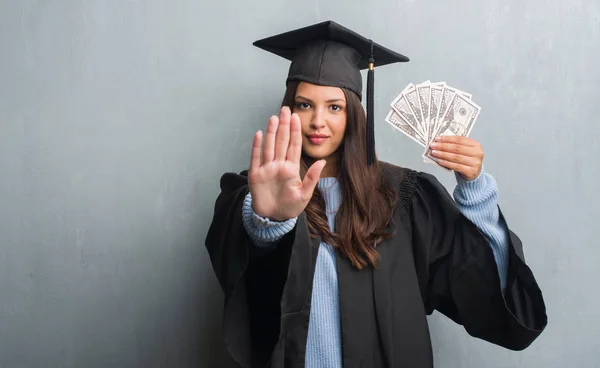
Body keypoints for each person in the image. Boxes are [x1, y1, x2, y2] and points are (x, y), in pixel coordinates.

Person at [205, 20, 547, 368]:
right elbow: (250, 281)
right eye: (305, 104)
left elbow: (475, 283)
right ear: (289, 109)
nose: (318, 121)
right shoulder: (263, 192)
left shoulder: (404, 197)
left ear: (354, 112)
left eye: (334, 107)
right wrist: (269, 223)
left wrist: (475, 191)